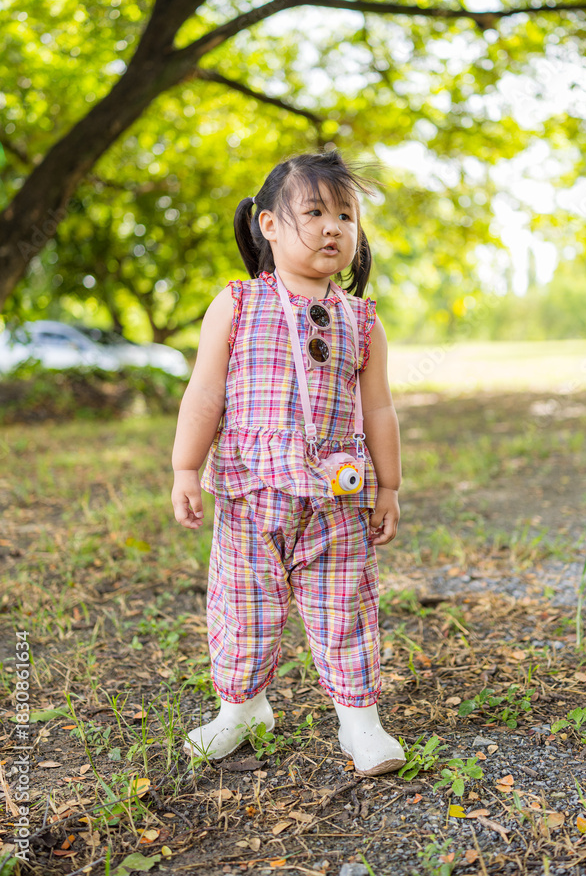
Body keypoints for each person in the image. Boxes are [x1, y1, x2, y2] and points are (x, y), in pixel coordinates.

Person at [171, 149, 404, 776]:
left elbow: (379, 409)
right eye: (315, 212)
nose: (334, 228)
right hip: (253, 494)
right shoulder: (238, 304)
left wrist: (388, 486)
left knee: (345, 604)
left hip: (337, 498)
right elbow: (205, 393)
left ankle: (360, 720)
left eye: (346, 216)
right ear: (269, 225)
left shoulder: (362, 320)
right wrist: (185, 469)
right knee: (243, 605)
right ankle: (241, 707)